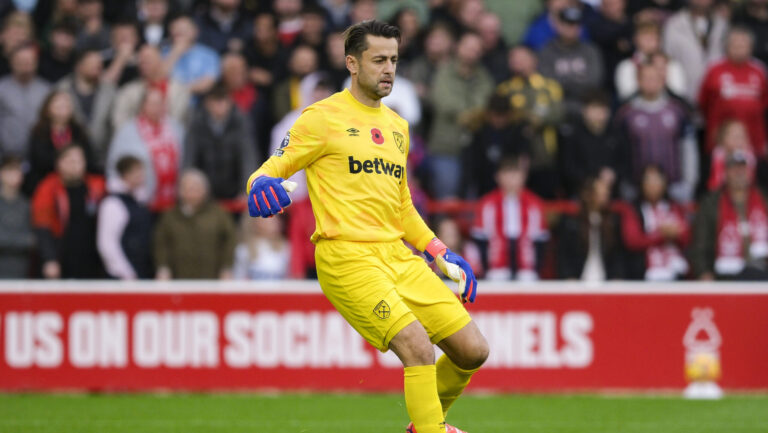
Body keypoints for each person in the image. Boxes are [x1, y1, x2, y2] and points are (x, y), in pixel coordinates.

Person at [245, 21, 487, 433]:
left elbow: (402, 205)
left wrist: (438, 251)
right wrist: (261, 185)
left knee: (472, 350)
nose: (388, 68)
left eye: (393, 59)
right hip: (346, 258)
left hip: (395, 255)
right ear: (352, 64)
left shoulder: (398, 128)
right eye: (379, 60)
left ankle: (424, 425)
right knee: (417, 346)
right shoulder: (321, 118)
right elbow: (269, 170)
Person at [614, 64, 698, 203]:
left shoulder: (678, 111)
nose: (650, 82)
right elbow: (619, 152)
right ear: (638, 81)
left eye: (654, 78)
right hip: (636, 190)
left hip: (675, 188)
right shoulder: (626, 113)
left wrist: (689, 182)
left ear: (662, 81)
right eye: (646, 78)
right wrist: (625, 184)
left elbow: (688, 148)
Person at [427, 31, 494, 199]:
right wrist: (471, 112)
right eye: (468, 47)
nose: (472, 52)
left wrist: (467, 113)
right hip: (446, 147)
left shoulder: (484, 77)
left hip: (476, 149)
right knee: (447, 198)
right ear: (458, 47)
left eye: (476, 49)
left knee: (471, 201)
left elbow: (486, 104)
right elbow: (443, 102)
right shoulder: (444, 72)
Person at [497, 44, 564, 199]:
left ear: (534, 60)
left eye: (521, 58)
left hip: (544, 157)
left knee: (545, 203)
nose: (517, 62)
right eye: (513, 58)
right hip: (513, 160)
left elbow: (558, 113)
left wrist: (533, 119)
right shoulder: (504, 89)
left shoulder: (549, 87)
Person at [690, 150, 768, 280]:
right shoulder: (711, 203)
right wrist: (703, 272)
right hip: (726, 275)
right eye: (734, 169)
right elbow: (700, 243)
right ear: (725, 172)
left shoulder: (764, 199)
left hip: (763, 270)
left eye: (742, 168)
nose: (739, 173)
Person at [31, 145, 105, 279]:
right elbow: (42, 225)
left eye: (79, 160)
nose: (75, 165)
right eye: (70, 161)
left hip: (91, 257)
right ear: (59, 163)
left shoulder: (97, 185)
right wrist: (50, 259)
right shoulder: (48, 188)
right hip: (62, 256)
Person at [471, 157, 549, 281]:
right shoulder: (487, 204)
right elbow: (481, 240)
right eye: (507, 174)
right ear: (498, 177)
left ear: (524, 176)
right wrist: (486, 269)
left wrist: (536, 269)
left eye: (515, 174)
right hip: (496, 264)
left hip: (527, 264)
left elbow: (540, 241)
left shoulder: (534, 204)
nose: (511, 179)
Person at [107, 88, 184, 213]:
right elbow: (114, 166)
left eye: (160, 103)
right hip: (142, 202)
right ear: (142, 106)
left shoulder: (176, 128)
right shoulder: (127, 131)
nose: (157, 108)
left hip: (175, 201)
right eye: (152, 104)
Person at [184, 81, 256, 212]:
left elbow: (248, 157)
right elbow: (189, 158)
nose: (219, 106)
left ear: (230, 102)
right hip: (204, 192)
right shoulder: (196, 123)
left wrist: (247, 190)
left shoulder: (240, 121)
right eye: (215, 102)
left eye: (223, 101)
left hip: (234, 189)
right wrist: (188, 188)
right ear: (207, 104)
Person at [699, 26, 768, 159]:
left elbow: (764, 105)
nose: (739, 49)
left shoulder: (759, 71)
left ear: (750, 47)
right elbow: (703, 102)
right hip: (720, 145)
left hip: (754, 143)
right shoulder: (714, 69)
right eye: (735, 45)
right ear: (727, 46)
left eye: (743, 45)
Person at [154, 169, 237, 279]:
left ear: (205, 190)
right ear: (180, 191)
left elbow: (229, 241)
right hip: (178, 279)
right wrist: (163, 267)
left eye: (195, 188)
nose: (191, 193)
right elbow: (160, 244)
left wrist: (226, 267)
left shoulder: (219, 215)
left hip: (212, 279)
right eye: (187, 189)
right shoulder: (169, 216)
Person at [57, 48, 127, 168]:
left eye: (99, 64)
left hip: (104, 160)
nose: (98, 67)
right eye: (92, 64)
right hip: (71, 162)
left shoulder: (109, 90)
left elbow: (117, 123)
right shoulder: (61, 90)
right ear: (79, 66)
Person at [622, 165, 691, 281]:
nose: (653, 185)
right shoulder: (633, 209)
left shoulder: (675, 207)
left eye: (657, 180)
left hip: (676, 273)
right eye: (648, 180)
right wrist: (661, 235)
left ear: (664, 184)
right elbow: (632, 240)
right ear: (642, 184)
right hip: (644, 274)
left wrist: (676, 234)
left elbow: (687, 236)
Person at [24, 90, 94, 196]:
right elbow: (39, 160)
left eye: (66, 104)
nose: (63, 107)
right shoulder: (39, 132)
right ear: (48, 108)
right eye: (59, 104)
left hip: (76, 181)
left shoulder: (78, 131)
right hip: (45, 180)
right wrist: (65, 166)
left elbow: (88, 156)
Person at [557, 176, 626, 280]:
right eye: (600, 193)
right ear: (588, 194)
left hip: (606, 280)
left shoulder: (613, 222)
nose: (605, 195)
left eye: (606, 192)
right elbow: (563, 254)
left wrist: (617, 276)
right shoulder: (572, 223)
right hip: (578, 280)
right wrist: (568, 276)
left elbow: (617, 255)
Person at [538, 6, 604, 115]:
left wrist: (566, 84)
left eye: (576, 24)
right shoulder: (547, 51)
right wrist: (577, 82)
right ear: (557, 25)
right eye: (568, 23)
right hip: (556, 106)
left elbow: (594, 83)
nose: (572, 28)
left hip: (586, 106)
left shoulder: (591, 51)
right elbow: (548, 84)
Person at [111, 44, 190, 132]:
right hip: (136, 141)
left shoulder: (179, 90)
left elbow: (179, 121)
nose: (143, 62)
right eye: (141, 59)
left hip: (170, 141)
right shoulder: (128, 91)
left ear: (160, 60)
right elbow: (118, 120)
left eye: (148, 59)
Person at [97, 156, 153, 279]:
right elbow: (107, 243)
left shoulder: (140, 201)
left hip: (141, 270)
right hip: (122, 277)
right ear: (125, 174)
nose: (141, 175)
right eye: (137, 171)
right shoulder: (113, 203)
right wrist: (125, 272)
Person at [559, 91, 623, 198]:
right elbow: (568, 168)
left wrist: (614, 174)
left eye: (602, 109)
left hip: (612, 192)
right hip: (580, 192)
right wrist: (592, 179)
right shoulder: (572, 135)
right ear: (584, 110)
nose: (598, 114)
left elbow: (625, 164)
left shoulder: (617, 135)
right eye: (594, 108)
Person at [464, 94, 530, 198]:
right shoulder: (479, 131)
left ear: (509, 115)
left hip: (510, 183)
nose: (499, 120)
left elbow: (523, 157)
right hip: (483, 182)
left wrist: (520, 177)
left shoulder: (517, 131)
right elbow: (472, 162)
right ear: (488, 114)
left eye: (503, 116)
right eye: (496, 115)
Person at [662, 0, 728, 104]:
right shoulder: (674, 25)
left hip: (717, 98)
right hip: (683, 97)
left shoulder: (722, 25)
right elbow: (667, 61)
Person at [0, 42, 51, 157]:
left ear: (36, 62)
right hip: (7, 159)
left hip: (39, 159)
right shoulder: (1, 89)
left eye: (29, 60)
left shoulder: (46, 90)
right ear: (12, 62)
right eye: (21, 60)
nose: (25, 64)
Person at [614, 21, 686, 101]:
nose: (650, 40)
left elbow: (679, 95)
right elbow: (625, 97)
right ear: (635, 39)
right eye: (645, 36)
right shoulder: (627, 66)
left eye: (654, 36)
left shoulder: (672, 65)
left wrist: (662, 74)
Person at [162, 15, 221, 97]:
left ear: (195, 31)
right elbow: (159, 78)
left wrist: (181, 90)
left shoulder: (209, 54)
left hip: (197, 103)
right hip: (168, 101)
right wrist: (175, 53)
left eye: (184, 29)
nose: (180, 32)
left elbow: (208, 83)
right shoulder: (163, 52)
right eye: (176, 28)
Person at [0, 156, 34, 278]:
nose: (16, 174)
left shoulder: (27, 205)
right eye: (11, 170)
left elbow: (32, 240)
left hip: (20, 268)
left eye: (18, 171)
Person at [233, 213, 290, 279]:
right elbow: (238, 279)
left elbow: (291, 279)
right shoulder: (244, 249)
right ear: (254, 222)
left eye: (275, 218)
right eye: (267, 218)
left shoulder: (286, 248)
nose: (272, 221)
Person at [707, 120, 757, 191]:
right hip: (721, 189)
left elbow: (750, 175)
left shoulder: (748, 153)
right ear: (723, 139)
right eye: (735, 136)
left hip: (745, 189)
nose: (739, 140)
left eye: (742, 136)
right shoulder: (719, 154)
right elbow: (716, 177)